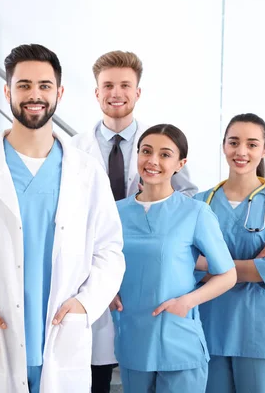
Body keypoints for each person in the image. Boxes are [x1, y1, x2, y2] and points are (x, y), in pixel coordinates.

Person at [0, 44, 125, 393]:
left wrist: (85, 305)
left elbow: (110, 250)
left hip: (62, 340)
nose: (34, 95)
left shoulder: (87, 172)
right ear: (6, 92)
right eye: (23, 85)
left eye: (44, 86)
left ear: (59, 93)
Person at [71, 50, 198, 392]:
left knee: (141, 371)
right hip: (91, 272)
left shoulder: (158, 145)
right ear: (96, 92)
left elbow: (185, 200)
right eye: (108, 85)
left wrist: (156, 201)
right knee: (93, 373)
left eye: (125, 85)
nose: (117, 92)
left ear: (138, 92)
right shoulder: (72, 150)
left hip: (144, 276)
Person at [113, 124, 237, 393]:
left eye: (165, 154)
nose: (153, 160)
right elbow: (100, 263)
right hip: (133, 341)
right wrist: (107, 292)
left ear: (180, 163)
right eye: (146, 151)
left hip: (179, 341)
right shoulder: (115, 213)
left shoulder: (195, 213)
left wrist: (187, 302)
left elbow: (228, 274)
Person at [194, 113, 265, 393]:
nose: (241, 151)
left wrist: (212, 266)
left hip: (260, 332)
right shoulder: (199, 203)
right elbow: (187, 265)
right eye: (234, 142)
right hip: (210, 327)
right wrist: (251, 265)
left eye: (252, 144)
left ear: (264, 150)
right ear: (223, 146)